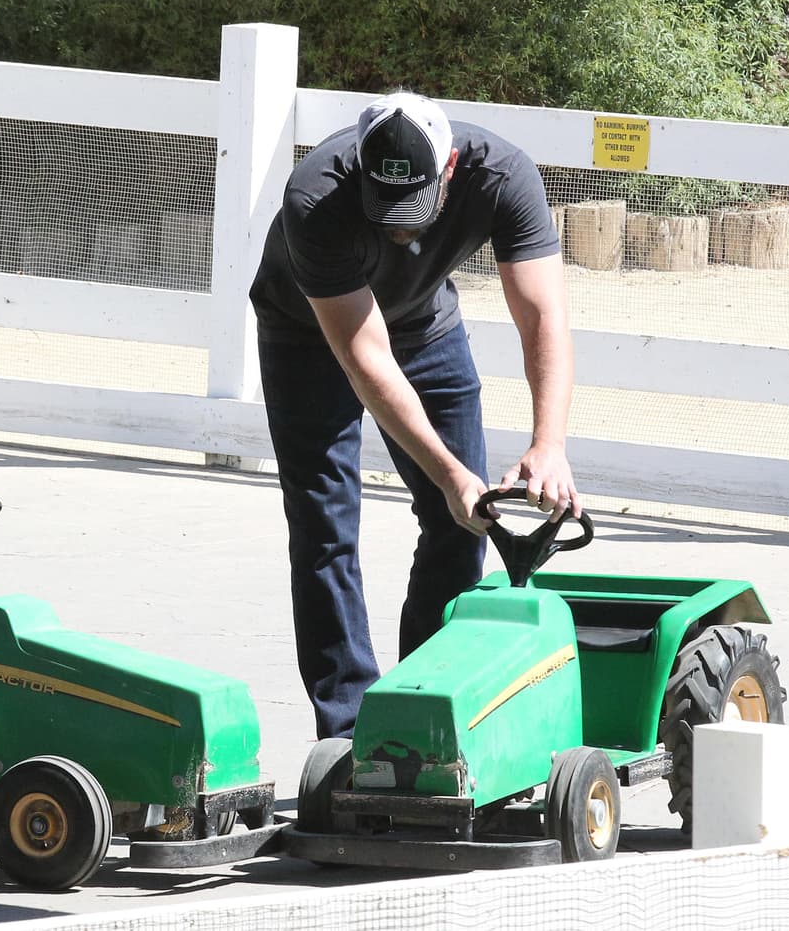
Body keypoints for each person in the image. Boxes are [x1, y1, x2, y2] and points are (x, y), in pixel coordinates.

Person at [249, 90, 580, 740]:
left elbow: (544, 314)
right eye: (384, 208)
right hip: (309, 334)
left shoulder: (504, 176)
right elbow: (364, 356)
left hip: (425, 324)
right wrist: (452, 472)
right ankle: (349, 735)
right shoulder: (314, 196)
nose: (399, 226)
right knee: (325, 528)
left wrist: (549, 443)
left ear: (450, 168)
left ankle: (424, 715)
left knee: (462, 527)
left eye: (414, 208)